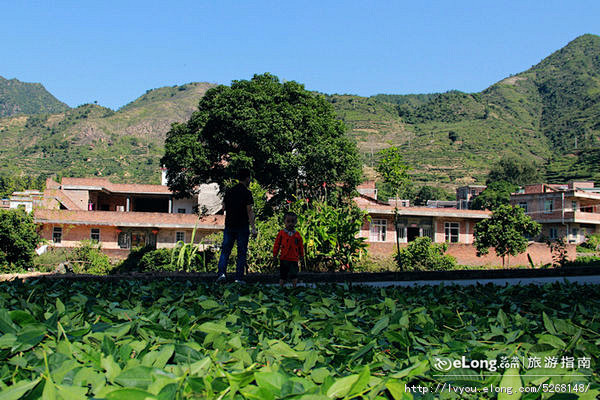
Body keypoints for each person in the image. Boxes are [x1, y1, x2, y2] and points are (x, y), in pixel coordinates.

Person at [216, 168, 257, 283]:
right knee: (241, 252)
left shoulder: (229, 191)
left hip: (229, 225)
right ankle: (238, 278)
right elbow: (249, 210)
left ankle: (222, 274)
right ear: (247, 178)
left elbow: (223, 207)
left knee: (225, 251)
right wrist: (253, 227)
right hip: (242, 226)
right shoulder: (247, 193)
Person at [273, 211, 304, 288]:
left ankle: (294, 287)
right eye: (288, 221)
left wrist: (301, 256)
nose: (290, 224)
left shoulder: (297, 235)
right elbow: (276, 245)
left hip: (294, 259)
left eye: (292, 222)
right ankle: (281, 288)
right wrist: (275, 255)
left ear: (296, 222)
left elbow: (300, 247)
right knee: (283, 275)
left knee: (294, 275)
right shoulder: (281, 233)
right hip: (284, 258)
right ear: (284, 222)